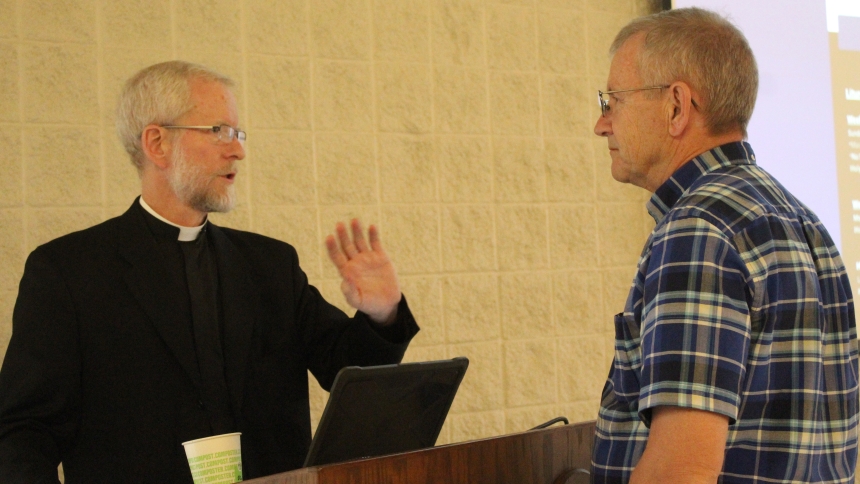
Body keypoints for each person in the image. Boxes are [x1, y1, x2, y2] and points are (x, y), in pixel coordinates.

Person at [0, 61, 419, 482]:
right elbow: (24, 432)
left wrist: (382, 313)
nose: (237, 149)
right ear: (157, 143)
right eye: (219, 130)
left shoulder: (270, 265)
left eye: (238, 133)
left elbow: (349, 372)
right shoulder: (69, 271)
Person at [591, 8, 858, 484]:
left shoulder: (697, 229)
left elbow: (681, 471)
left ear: (676, 106)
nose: (601, 124)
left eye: (613, 101)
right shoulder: (803, 219)